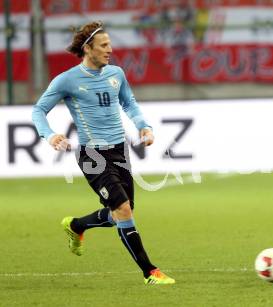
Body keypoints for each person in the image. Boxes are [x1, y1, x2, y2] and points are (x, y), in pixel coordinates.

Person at [32, 21, 175, 285]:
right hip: (92, 156)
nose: (110, 50)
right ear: (88, 49)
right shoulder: (67, 80)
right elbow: (38, 111)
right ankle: (150, 272)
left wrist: (144, 126)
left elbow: (128, 102)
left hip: (119, 151)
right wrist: (50, 135)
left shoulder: (116, 74)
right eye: (104, 45)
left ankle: (76, 226)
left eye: (110, 44)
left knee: (121, 212)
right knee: (122, 209)